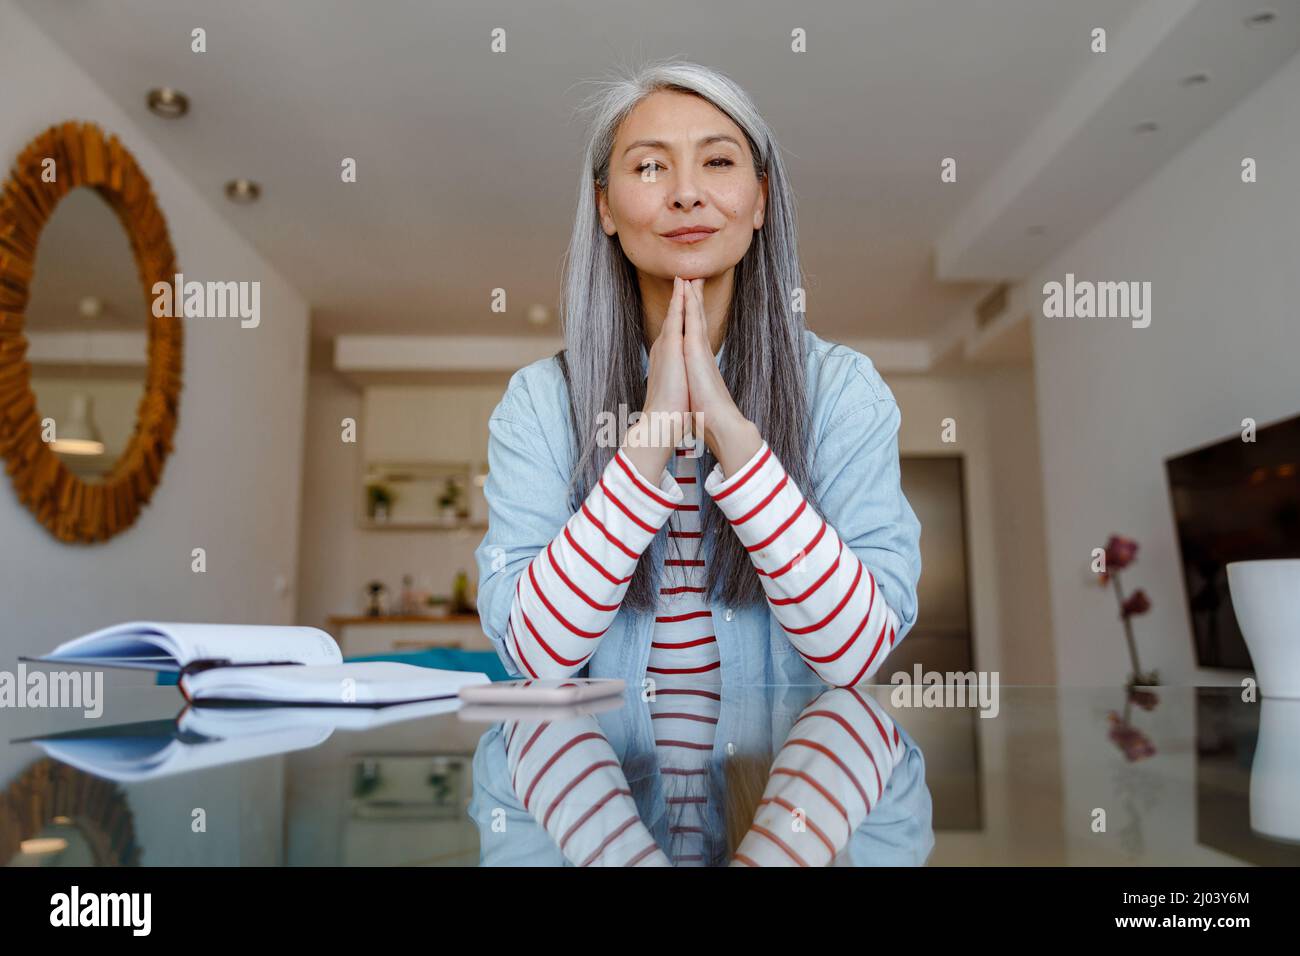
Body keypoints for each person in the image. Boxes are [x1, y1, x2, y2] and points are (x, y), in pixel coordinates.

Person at [474, 59, 921, 688]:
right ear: (605, 205)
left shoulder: (843, 392)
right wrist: (651, 435)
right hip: (596, 782)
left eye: (717, 162)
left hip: (788, 783)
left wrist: (730, 434)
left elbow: (854, 657)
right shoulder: (540, 403)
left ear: (760, 199)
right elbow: (538, 661)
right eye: (650, 166)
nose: (686, 192)